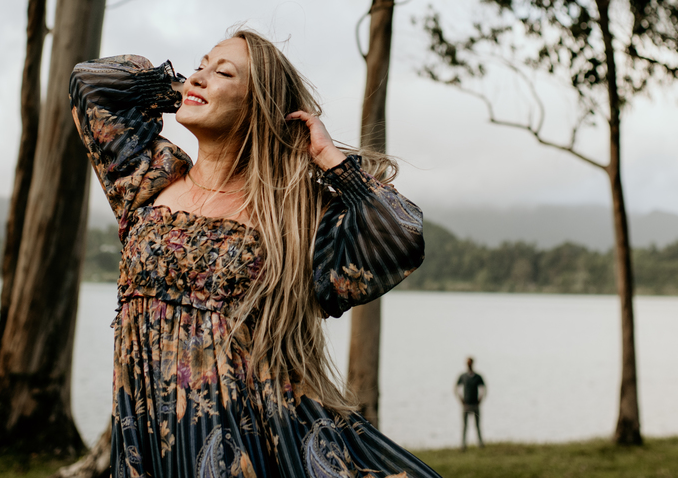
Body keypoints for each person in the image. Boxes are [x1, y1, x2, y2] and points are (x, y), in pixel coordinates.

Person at [70, 29, 440, 478]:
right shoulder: (149, 182)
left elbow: (400, 235)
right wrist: (183, 87)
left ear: (258, 106)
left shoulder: (295, 218)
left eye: (222, 72)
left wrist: (333, 162)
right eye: (200, 65)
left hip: (258, 446)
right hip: (152, 444)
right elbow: (91, 82)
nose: (200, 76)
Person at [454, 357, 485, 450]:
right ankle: (463, 445)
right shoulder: (463, 376)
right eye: (468, 363)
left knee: (477, 425)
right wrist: (461, 399)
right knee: (464, 426)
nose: (469, 365)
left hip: (475, 404)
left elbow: (483, 388)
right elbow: (456, 388)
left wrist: (480, 399)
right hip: (466, 404)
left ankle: (480, 444)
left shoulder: (477, 376)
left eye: (470, 363)